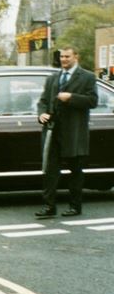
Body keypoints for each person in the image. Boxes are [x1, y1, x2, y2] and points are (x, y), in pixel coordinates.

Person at [35, 46, 98, 218]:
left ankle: (75, 206)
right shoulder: (53, 78)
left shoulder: (87, 77)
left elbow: (92, 101)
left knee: (75, 171)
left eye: (67, 57)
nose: (64, 60)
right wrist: (41, 114)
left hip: (75, 132)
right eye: (62, 56)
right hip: (52, 131)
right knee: (50, 171)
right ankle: (49, 207)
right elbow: (42, 101)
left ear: (76, 57)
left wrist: (71, 98)